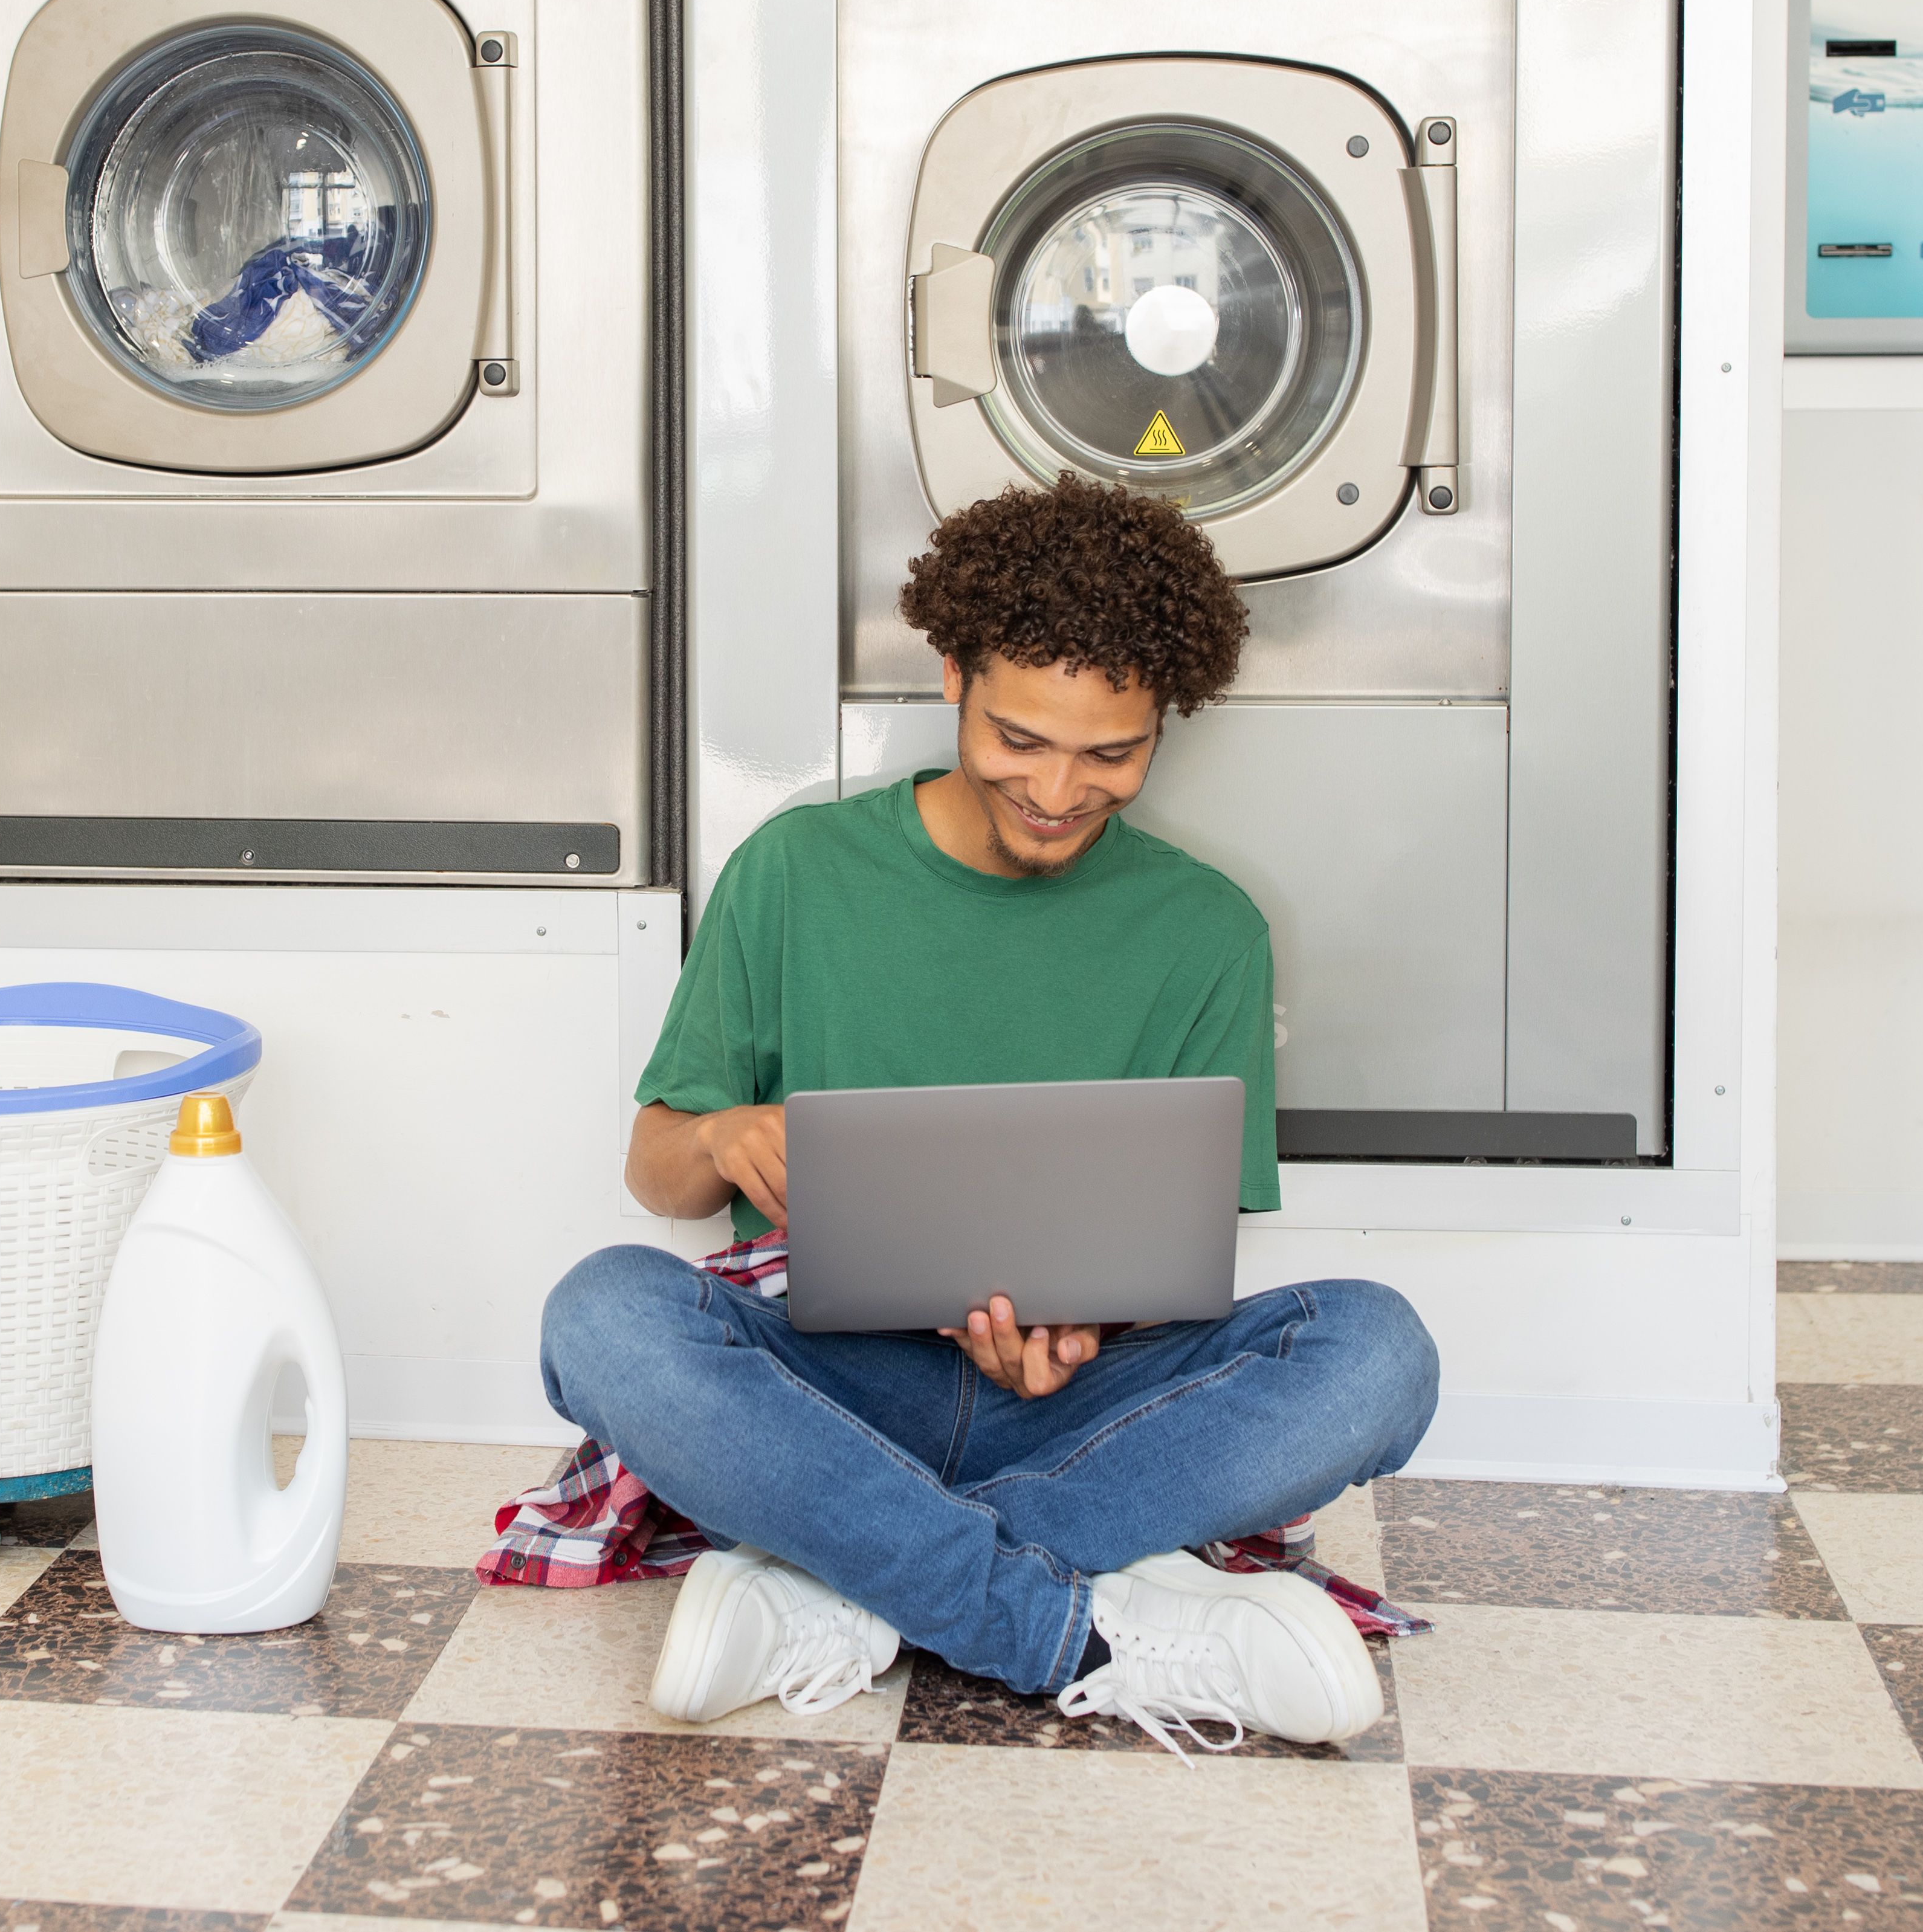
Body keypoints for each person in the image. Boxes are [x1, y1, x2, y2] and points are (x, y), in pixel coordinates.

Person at [535, 473, 1441, 1749]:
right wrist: (723, 1136)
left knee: (1378, 1351)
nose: (1060, 790)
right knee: (602, 1315)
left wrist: (1077, 1327)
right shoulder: (794, 872)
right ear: (951, 676)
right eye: (1021, 738)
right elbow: (657, 1175)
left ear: (1161, 726)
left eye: (1109, 751)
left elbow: (1174, 1235)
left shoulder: (1207, 930)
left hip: (1081, 1399)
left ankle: (846, 1581)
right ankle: (1074, 1625)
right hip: (830, 1385)